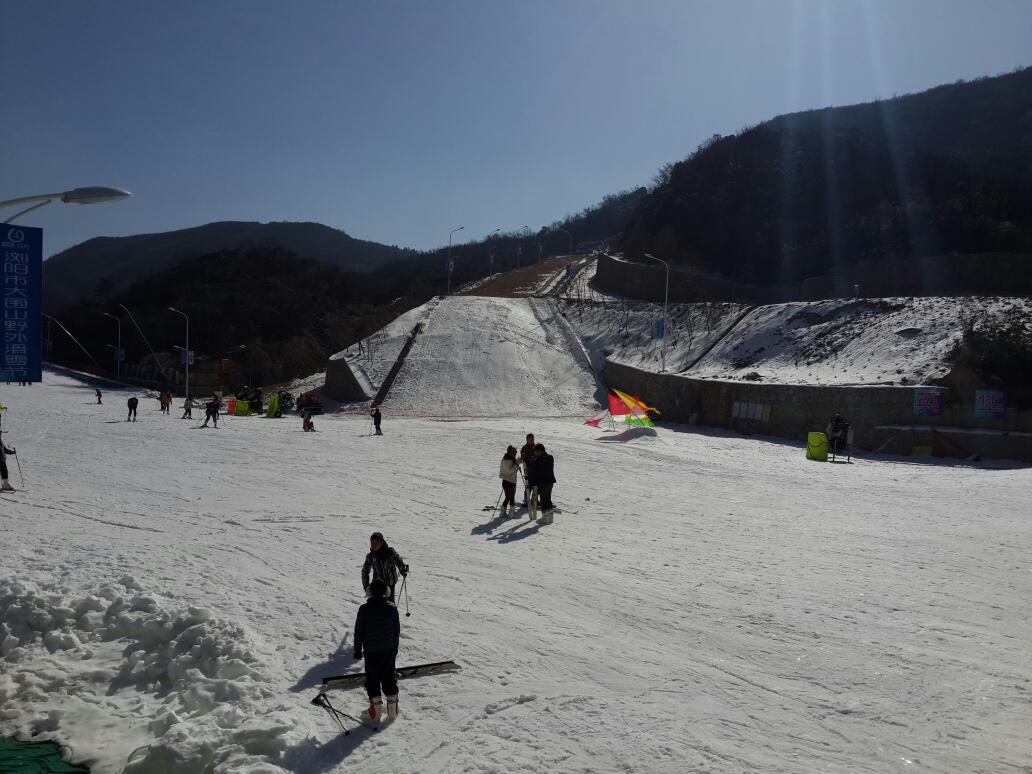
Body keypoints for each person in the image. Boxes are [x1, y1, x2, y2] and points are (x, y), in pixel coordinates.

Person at [353, 578, 401, 722]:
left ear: (369, 593)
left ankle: (375, 712)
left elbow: (359, 632)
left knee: (373, 678)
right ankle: (393, 710)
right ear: (387, 591)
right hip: (388, 651)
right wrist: (394, 650)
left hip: (371, 651)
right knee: (388, 676)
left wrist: (357, 651)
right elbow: (396, 632)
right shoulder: (392, 608)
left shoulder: (364, 609)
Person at [362, 532, 408, 603]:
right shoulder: (370, 556)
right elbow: (365, 572)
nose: (373, 545)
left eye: (376, 543)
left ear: (382, 542)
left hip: (390, 583)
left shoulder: (390, 552)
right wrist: (366, 587)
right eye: (372, 543)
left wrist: (402, 570)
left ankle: (392, 612)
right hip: (377, 585)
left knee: (389, 604)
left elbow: (398, 561)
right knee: (376, 604)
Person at [529, 442, 556, 524]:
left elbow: (534, 469)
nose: (535, 453)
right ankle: (550, 517)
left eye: (536, 452)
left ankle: (545, 518)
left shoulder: (539, 459)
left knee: (544, 500)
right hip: (550, 482)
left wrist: (532, 461)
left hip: (542, 482)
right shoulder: (550, 457)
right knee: (548, 500)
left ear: (540, 451)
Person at [499, 445, 519, 515]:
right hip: (511, 481)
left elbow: (504, 470)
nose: (515, 454)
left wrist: (516, 464)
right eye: (514, 452)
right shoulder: (510, 460)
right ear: (510, 452)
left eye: (516, 452)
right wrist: (517, 464)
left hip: (505, 481)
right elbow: (510, 471)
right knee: (511, 497)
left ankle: (503, 511)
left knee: (507, 497)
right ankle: (512, 513)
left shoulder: (504, 459)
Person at [518, 433, 537, 505]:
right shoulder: (524, 448)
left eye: (532, 439)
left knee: (536, 486)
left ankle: (534, 500)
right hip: (528, 471)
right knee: (528, 486)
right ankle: (526, 500)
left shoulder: (536, 447)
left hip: (536, 470)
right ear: (527, 440)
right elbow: (524, 458)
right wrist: (530, 460)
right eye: (530, 439)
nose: (531, 440)